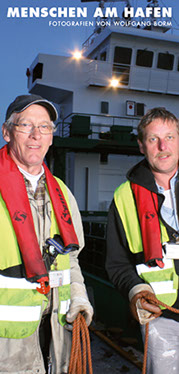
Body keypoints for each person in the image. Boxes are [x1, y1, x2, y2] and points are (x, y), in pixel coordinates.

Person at [0, 94, 93, 374]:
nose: (35, 135)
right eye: (25, 125)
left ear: (52, 137)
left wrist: (79, 296)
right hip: (8, 348)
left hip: (56, 337)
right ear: (7, 132)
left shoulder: (63, 193)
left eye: (44, 127)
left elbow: (72, 260)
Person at [106, 107, 179, 374]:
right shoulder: (124, 198)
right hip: (161, 320)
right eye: (153, 139)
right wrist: (136, 292)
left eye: (170, 137)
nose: (162, 146)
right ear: (141, 146)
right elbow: (116, 264)